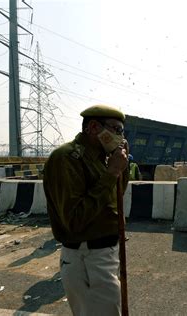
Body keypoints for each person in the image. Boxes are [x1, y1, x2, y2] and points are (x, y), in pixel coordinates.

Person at [43, 104, 129, 315]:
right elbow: (75, 219)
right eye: (116, 130)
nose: (120, 137)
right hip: (87, 256)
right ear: (93, 127)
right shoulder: (67, 158)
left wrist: (120, 169)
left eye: (122, 132)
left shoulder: (99, 159)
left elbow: (114, 198)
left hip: (103, 254)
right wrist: (111, 173)